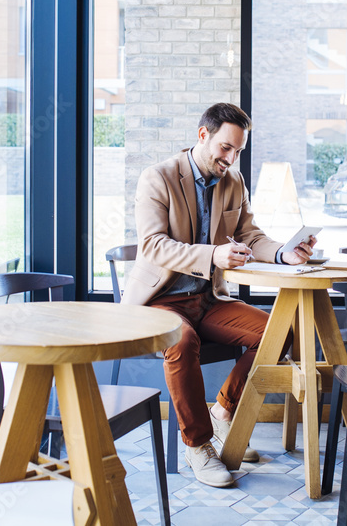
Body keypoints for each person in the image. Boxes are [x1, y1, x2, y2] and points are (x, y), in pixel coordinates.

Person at [122, 102, 315, 488]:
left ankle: (224, 415)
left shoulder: (234, 182)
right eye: (226, 148)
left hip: (207, 299)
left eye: (238, 150)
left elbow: (249, 234)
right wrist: (212, 254)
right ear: (202, 135)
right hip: (161, 301)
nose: (231, 157)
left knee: (279, 334)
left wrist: (283, 253)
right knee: (182, 342)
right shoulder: (157, 177)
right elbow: (154, 245)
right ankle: (198, 444)